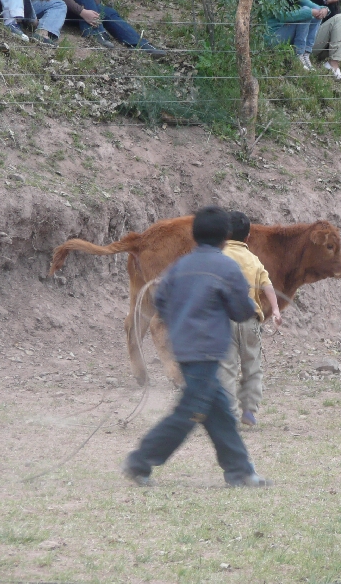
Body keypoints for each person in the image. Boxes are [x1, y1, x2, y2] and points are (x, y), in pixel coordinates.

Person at [122, 206, 271, 487]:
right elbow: (241, 310)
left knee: (220, 412)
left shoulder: (182, 264)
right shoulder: (227, 266)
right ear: (225, 237)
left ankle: (240, 471)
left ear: (195, 235)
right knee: (189, 412)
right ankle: (140, 460)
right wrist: (249, 305)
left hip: (184, 348)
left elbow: (161, 300)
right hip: (207, 349)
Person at [219, 211, 282, 427]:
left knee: (226, 366)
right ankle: (249, 410)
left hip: (224, 320)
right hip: (250, 321)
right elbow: (267, 284)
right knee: (252, 365)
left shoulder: (219, 257)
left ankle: (227, 413)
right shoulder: (253, 260)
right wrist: (275, 310)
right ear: (247, 237)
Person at [45, 0, 166, 55]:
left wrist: (90, 7)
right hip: (63, 10)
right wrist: (82, 11)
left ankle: (140, 44)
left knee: (109, 12)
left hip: (87, 10)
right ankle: (95, 32)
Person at [266, 0, 327, 70]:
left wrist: (324, 10)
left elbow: (315, 7)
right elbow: (282, 16)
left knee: (316, 14)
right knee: (306, 12)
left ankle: (306, 54)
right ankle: (298, 54)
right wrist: (308, 12)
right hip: (272, 37)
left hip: (285, 32)